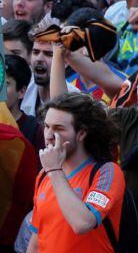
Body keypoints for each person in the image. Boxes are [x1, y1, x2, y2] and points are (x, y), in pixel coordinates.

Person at [29, 92, 125, 252]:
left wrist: (54, 170)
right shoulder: (44, 175)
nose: (49, 135)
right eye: (46, 126)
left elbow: (82, 223)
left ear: (81, 133)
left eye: (58, 128)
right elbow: (37, 239)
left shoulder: (107, 172)